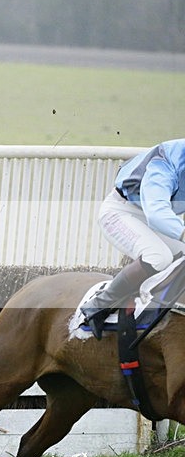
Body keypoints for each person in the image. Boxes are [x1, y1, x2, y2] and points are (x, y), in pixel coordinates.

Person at [81, 138, 185, 339]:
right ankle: (98, 306)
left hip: (151, 216)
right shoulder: (166, 162)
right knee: (158, 256)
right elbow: (156, 213)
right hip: (121, 212)